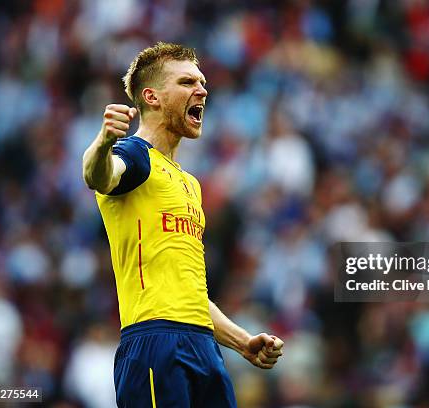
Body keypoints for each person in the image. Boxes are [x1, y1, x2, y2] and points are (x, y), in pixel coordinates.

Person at [81, 42, 284, 407]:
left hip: (203, 347)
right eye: (188, 82)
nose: (202, 90)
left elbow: (188, 293)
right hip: (154, 344)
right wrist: (105, 141)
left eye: (203, 82)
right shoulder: (134, 156)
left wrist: (242, 342)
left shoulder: (190, 184)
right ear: (152, 97)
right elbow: (99, 175)